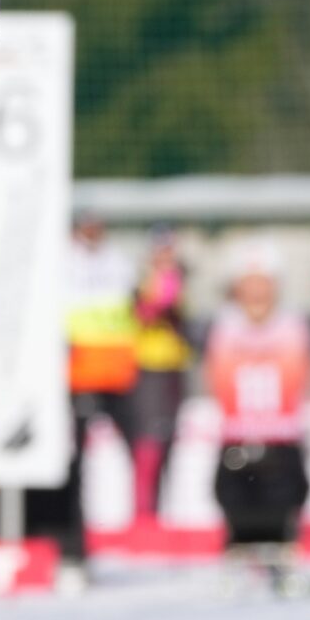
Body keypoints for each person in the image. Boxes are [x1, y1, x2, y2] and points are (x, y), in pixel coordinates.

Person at [21, 216, 137, 576]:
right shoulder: (62, 261)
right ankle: (74, 541)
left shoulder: (117, 260)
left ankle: (127, 535)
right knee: (75, 465)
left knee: (128, 457)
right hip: (76, 375)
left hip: (117, 374)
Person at [204, 245, 310, 572]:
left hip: (283, 440)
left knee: (285, 511)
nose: (256, 291)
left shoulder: (294, 324)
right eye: (249, 282)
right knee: (235, 509)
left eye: (263, 282)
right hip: (236, 441)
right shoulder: (221, 325)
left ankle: (282, 558)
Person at [129, 223, 192, 521]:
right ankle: (144, 514)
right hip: (149, 368)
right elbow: (140, 315)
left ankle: (163, 512)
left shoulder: (180, 279)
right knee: (149, 443)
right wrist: (158, 302)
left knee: (169, 443)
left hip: (174, 368)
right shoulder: (143, 280)